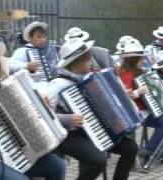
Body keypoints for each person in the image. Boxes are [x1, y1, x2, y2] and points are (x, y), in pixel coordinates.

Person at [46, 39, 137, 180]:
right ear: (76, 62)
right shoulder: (57, 84)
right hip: (69, 135)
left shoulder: (90, 78)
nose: (92, 63)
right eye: (88, 59)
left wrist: (123, 96)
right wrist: (66, 119)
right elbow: (39, 113)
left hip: (96, 130)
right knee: (98, 161)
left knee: (130, 148)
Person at [0, 30, 66, 180]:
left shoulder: (6, 83)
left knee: (58, 167)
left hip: (13, 150)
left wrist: (41, 107)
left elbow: (24, 114)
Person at [118, 41, 163, 166]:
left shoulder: (140, 71)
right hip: (136, 113)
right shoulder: (126, 74)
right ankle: (146, 151)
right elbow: (125, 97)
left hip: (147, 109)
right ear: (133, 60)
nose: (144, 61)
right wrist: (139, 92)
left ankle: (155, 152)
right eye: (141, 59)